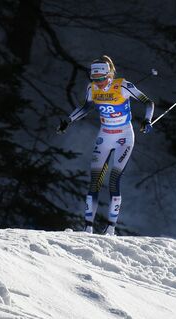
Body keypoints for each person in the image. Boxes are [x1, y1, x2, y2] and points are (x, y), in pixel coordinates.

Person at [58, 55, 154, 235]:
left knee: (113, 181)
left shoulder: (123, 85)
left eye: (101, 79)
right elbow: (86, 107)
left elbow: (148, 102)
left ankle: (110, 228)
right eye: (95, 79)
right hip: (105, 136)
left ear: (109, 75)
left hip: (124, 137)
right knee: (95, 181)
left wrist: (147, 121)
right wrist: (68, 120)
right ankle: (88, 228)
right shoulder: (92, 88)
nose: (99, 83)